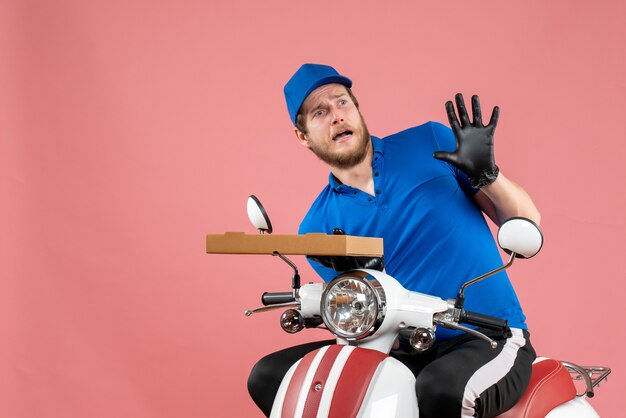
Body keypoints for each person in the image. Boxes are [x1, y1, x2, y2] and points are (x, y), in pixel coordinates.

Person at [248, 63, 541, 418]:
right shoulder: (316, 228)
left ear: (357, 110)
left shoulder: (430, 143)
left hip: (487, 335)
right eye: (319, 112)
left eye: (342, 103)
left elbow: (526, 220)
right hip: (402, 349)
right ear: (303, 136)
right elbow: (360, 318)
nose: (336, 117)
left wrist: (489, 176)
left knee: (440, 389)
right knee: (270, 376)